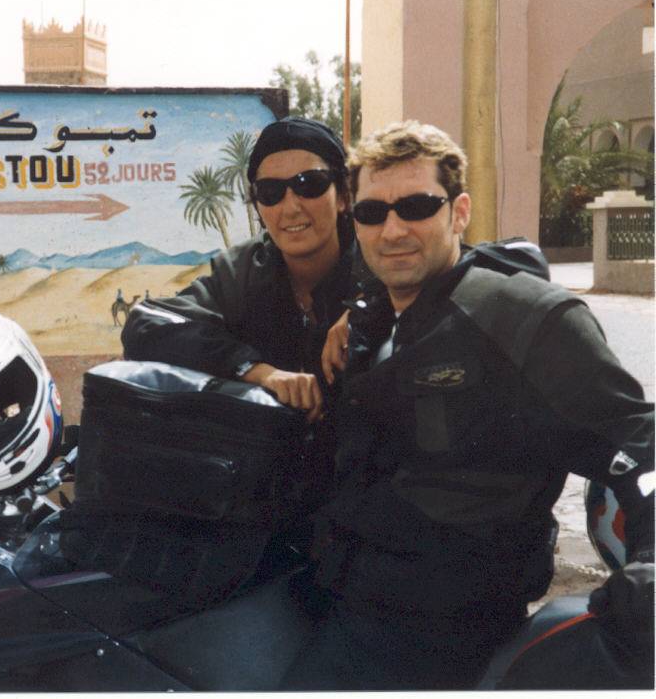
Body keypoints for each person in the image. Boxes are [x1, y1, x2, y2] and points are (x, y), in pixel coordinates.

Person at [280, 120, 654, 690]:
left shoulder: (527, 321)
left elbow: (639, 447)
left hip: (447, 640)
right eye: (373, 213)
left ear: (459, 213)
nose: (393, 229)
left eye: (416, 207)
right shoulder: (373, 320)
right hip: (347, 604)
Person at [122, 116, 362, 422]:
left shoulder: (377, 261)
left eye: (310, 184)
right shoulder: (244, 272)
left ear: (343, 196)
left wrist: (367, 308)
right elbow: (146, 324)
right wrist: (256, 371)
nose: (291, 208)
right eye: (271, 191)